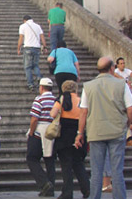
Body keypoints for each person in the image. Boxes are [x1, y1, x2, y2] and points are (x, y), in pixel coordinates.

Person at [74, 56, 132, 199]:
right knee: (117, 171)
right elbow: (130, 108)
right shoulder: (121, 84)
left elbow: (83, 112)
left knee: (96, 172)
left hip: (96, 132)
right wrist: (128, 124)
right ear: (112, 68)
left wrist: (80, 132)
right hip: (117, 131)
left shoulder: (88, 86)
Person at [49, 80, 89, 199]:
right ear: (75, 89)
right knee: (78, 164)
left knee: (66, 166)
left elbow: (52, 114)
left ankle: (67, 192)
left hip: (64, 137)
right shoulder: (81, 100)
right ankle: (87, 189)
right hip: (78, 134)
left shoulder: (61, 100)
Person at [26, 77, 56, 197]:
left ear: (41, 87)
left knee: (32, 158)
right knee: (50, 161)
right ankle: (50, 187)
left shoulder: (39, 99)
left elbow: (34, 118)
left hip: (39, 133)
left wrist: (31, 132)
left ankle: (44, 183)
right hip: (52, 132)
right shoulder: (55, 100)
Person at [17, 15, 47, 91]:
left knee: (28, 67)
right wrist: (45, 47)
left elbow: (21, 38)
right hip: (37, 48)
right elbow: (42, 37)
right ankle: (39, 77)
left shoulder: (23, 26)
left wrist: (18, 48)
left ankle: (30, 84)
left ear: (24, 20)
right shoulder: (38, 26)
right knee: (35, 65)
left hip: (27, 47)